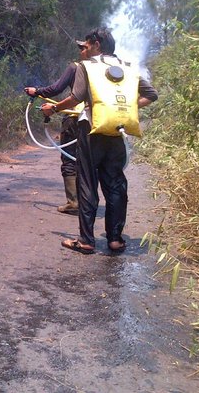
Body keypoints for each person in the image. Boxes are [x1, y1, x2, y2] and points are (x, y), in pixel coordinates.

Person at [42, 27, 158, 254]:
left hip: (91, 131)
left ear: (96, 44)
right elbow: (151, 94)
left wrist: (53, 109)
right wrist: (125, 107)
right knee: (115, 184)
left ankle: (86, 240)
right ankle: (115, 239)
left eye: (86, 45)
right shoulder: (128, 68)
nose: (83, 50)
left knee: (87, 183)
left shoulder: (88, 67)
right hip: (117, 132)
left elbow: (76, 97)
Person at [24, 42, 87, 215]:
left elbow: (56, 89)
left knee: (69, 158)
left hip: (75, 118)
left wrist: (36, 91)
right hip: (96, 120)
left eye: (84, 48)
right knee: (88, 161)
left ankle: (74, 202)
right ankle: (88, 201)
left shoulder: (76, 67)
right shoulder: (105, 70)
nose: (81, 51)